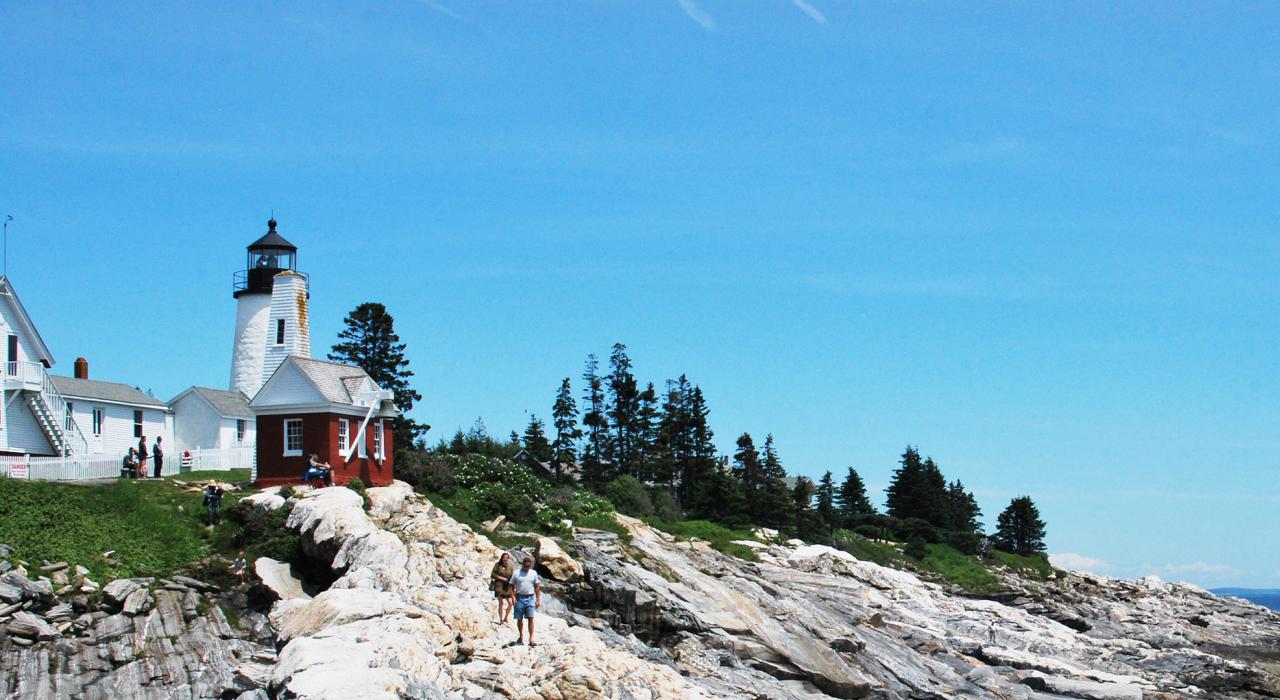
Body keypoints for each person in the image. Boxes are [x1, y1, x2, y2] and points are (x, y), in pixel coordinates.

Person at [508, 556, 541, 646]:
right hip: (519, 597)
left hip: (530, 598)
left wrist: (538, 599)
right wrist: (513, 597)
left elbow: (537, 586)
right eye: (525, 566)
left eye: (528, 566)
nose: (527, 567)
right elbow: (511, 585)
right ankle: (521, 636)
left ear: (530, 565)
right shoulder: (516, 573)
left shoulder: (533, 573)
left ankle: (531, 639)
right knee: (519, 618)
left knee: (531, 618)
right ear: (522, 564)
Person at [490, 553, 514, 625]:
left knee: (510, 603)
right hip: (499, 586)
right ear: (502, 558)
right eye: (504, 557)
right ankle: (500, 620)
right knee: (501, 603)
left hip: (507, 587)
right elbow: (493, 574)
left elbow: (512, 577)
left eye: (507, 557)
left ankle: (506, 617)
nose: (505, 558)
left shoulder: (510, 567)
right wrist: (501, 578)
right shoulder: (497, 565)